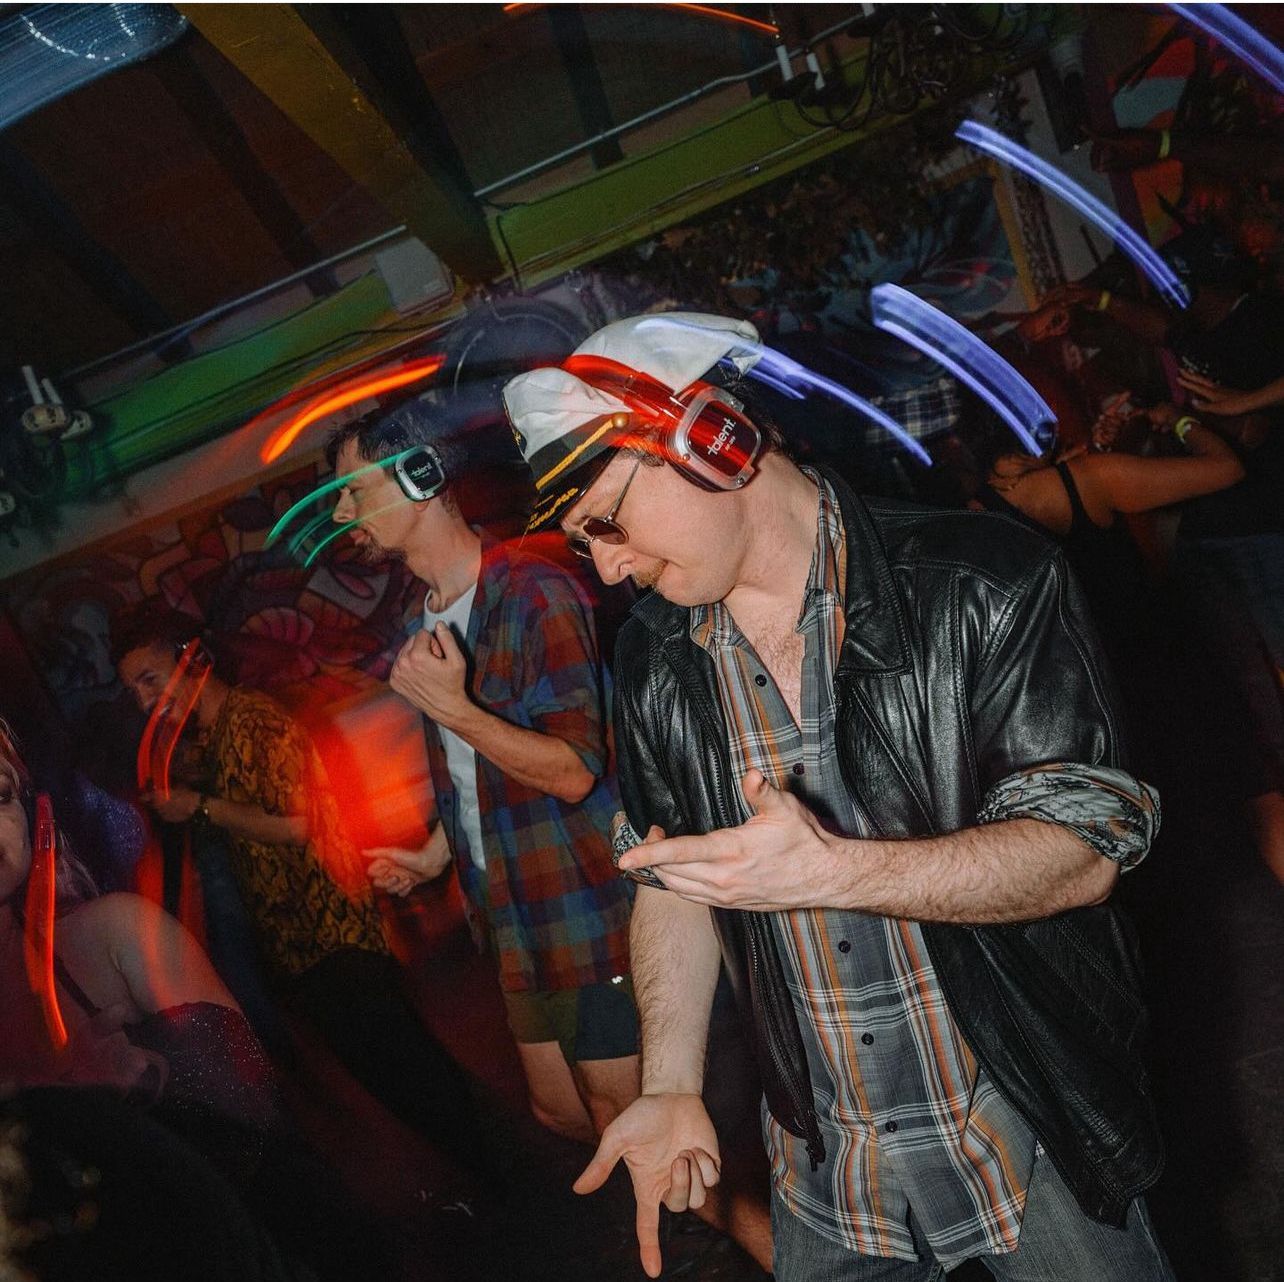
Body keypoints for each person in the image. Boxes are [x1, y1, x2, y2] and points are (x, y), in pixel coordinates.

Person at [502, 312, 1172, 1281]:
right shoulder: (653, 658)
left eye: (606, 520)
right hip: (829, 1179)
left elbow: (1084, 853)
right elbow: (668, 880)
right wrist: (671, 1083)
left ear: (713, 440)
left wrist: (834, 871)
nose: (606, 564)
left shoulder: (982, 583)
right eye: (582, 543)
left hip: (1028, 1137)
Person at [326, 404, 640, 1145]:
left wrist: (454, 709)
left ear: (421, 477)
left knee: (623, 1120)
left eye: (353, 491)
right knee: (559, 1111)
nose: (340, 514)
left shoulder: (533, 593)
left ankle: (726, 1212)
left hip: (582, 899)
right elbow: (475, 770)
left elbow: (574, 772)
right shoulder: (424, 616)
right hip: (508, 909)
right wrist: (435, 855)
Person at [109, 608, 490, 1187]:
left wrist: (200, 808)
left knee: (406, 1063)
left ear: (192, 662)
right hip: (294, 939)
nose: (143, 701)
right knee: (382, 1073)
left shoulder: (256, 719)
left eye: (149, 680)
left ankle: (498, 1174)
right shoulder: (207, 738)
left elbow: (297, 825)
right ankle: (478, 1173)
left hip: (331, 924)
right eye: (132, 690)